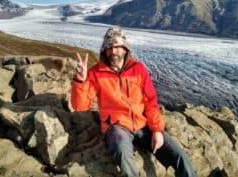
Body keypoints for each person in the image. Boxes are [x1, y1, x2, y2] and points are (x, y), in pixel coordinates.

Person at [71, 27, 197, 177]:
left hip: (144, 125)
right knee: (124, 157)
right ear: (104, 50)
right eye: (109, 47)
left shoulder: (138, 69)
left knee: (180, 157)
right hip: (116, 127)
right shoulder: (95, 73)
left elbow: (150, 102)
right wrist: (81, 80)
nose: (113, 51)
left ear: (125, 48)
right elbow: (80, 106)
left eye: (117, 46)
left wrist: (156, 130)